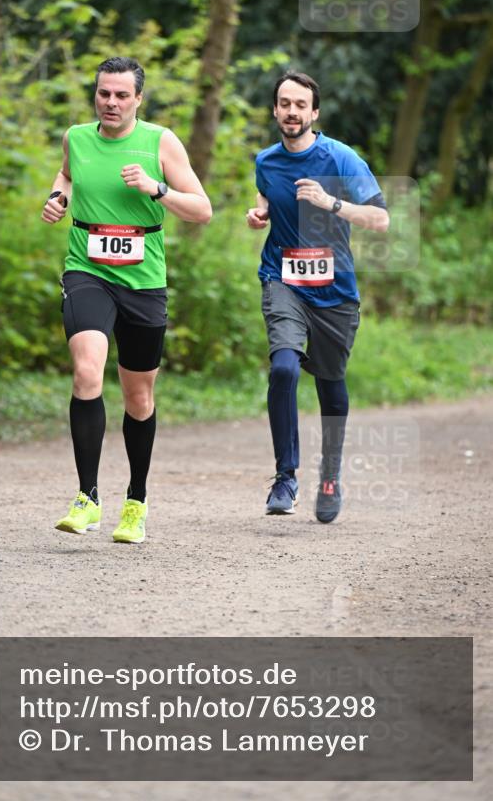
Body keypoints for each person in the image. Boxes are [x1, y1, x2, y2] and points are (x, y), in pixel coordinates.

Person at [42, 56, 212, 544]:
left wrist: (156, 189)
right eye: (103, 93)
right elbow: (67, 175)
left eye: (121, 95)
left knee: (139, 397)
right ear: (94, 95)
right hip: (87, 268)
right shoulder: (76, 137)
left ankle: (135, 502)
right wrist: (59, 198)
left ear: (139, 98)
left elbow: (202, 210)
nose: (110, 102)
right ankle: (87, 497)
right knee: (87, 371)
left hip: (143, 280)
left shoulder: (160, 142)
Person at [247, 71, 389, 523]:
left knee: (331, 383)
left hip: (335, 292)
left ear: (314, 113)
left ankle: (330, 474)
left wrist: (331, 203)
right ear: (275, 110)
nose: (292, 111)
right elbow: (266, 191)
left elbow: (380, 219)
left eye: (300, 105)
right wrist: (261, 212)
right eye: (284, 103)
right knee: (284, 366)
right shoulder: (266, 161)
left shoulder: (341, 158)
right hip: (283, 280)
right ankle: (285, 476)